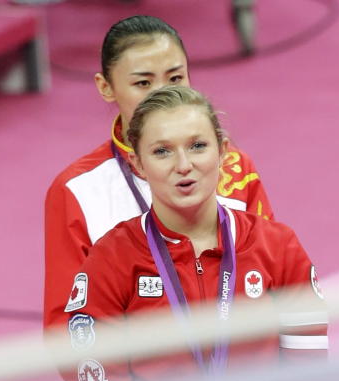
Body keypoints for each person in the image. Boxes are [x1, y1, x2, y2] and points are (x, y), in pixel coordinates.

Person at [70, 86, 326, 381]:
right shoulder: (109, 261)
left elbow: (309, 377)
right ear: (137, 164)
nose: (183, 165)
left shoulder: (278, 247)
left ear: (223, 153)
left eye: (198, 146)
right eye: (162, 151)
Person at [43, 14, 272, 336]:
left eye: (175, 79)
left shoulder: (233, 166)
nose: (162, 96)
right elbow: (68, 327)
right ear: (106, 87)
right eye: (143, 83)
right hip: (144, 380)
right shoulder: (77, 190)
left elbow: (274, 275)